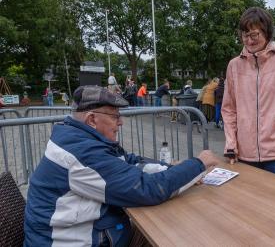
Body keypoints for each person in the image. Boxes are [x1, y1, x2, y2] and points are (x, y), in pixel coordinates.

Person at [24, 85, 219, 246]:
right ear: (92, 119)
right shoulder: (84, 153)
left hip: (94, 233)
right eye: (115, 116)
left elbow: (129, 161)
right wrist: (199, 164)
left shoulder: (78, 138)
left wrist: (172, 168)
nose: (121, 122)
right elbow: (148, 189)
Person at [222, 7, 275, 178]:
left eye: (254, 35)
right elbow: (229, 109)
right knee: (245, 204)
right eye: (245, 35)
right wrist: (231, 144)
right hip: (243, 154)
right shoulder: (234, 65)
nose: (249, 41)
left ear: (267, 32)